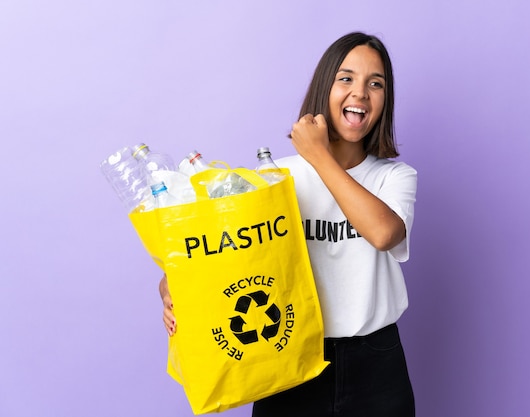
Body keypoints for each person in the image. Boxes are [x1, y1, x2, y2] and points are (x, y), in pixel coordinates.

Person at [159, 31, 417, 417]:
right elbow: (214, 258)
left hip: (376, 362)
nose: (360, 93)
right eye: (345, 78)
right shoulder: (273, 178)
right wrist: (170, 290)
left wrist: (318, 154)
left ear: (385, 100)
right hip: (287, 354)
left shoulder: (395, 177)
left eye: (375, 84)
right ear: (323, 87)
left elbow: (382, 234)